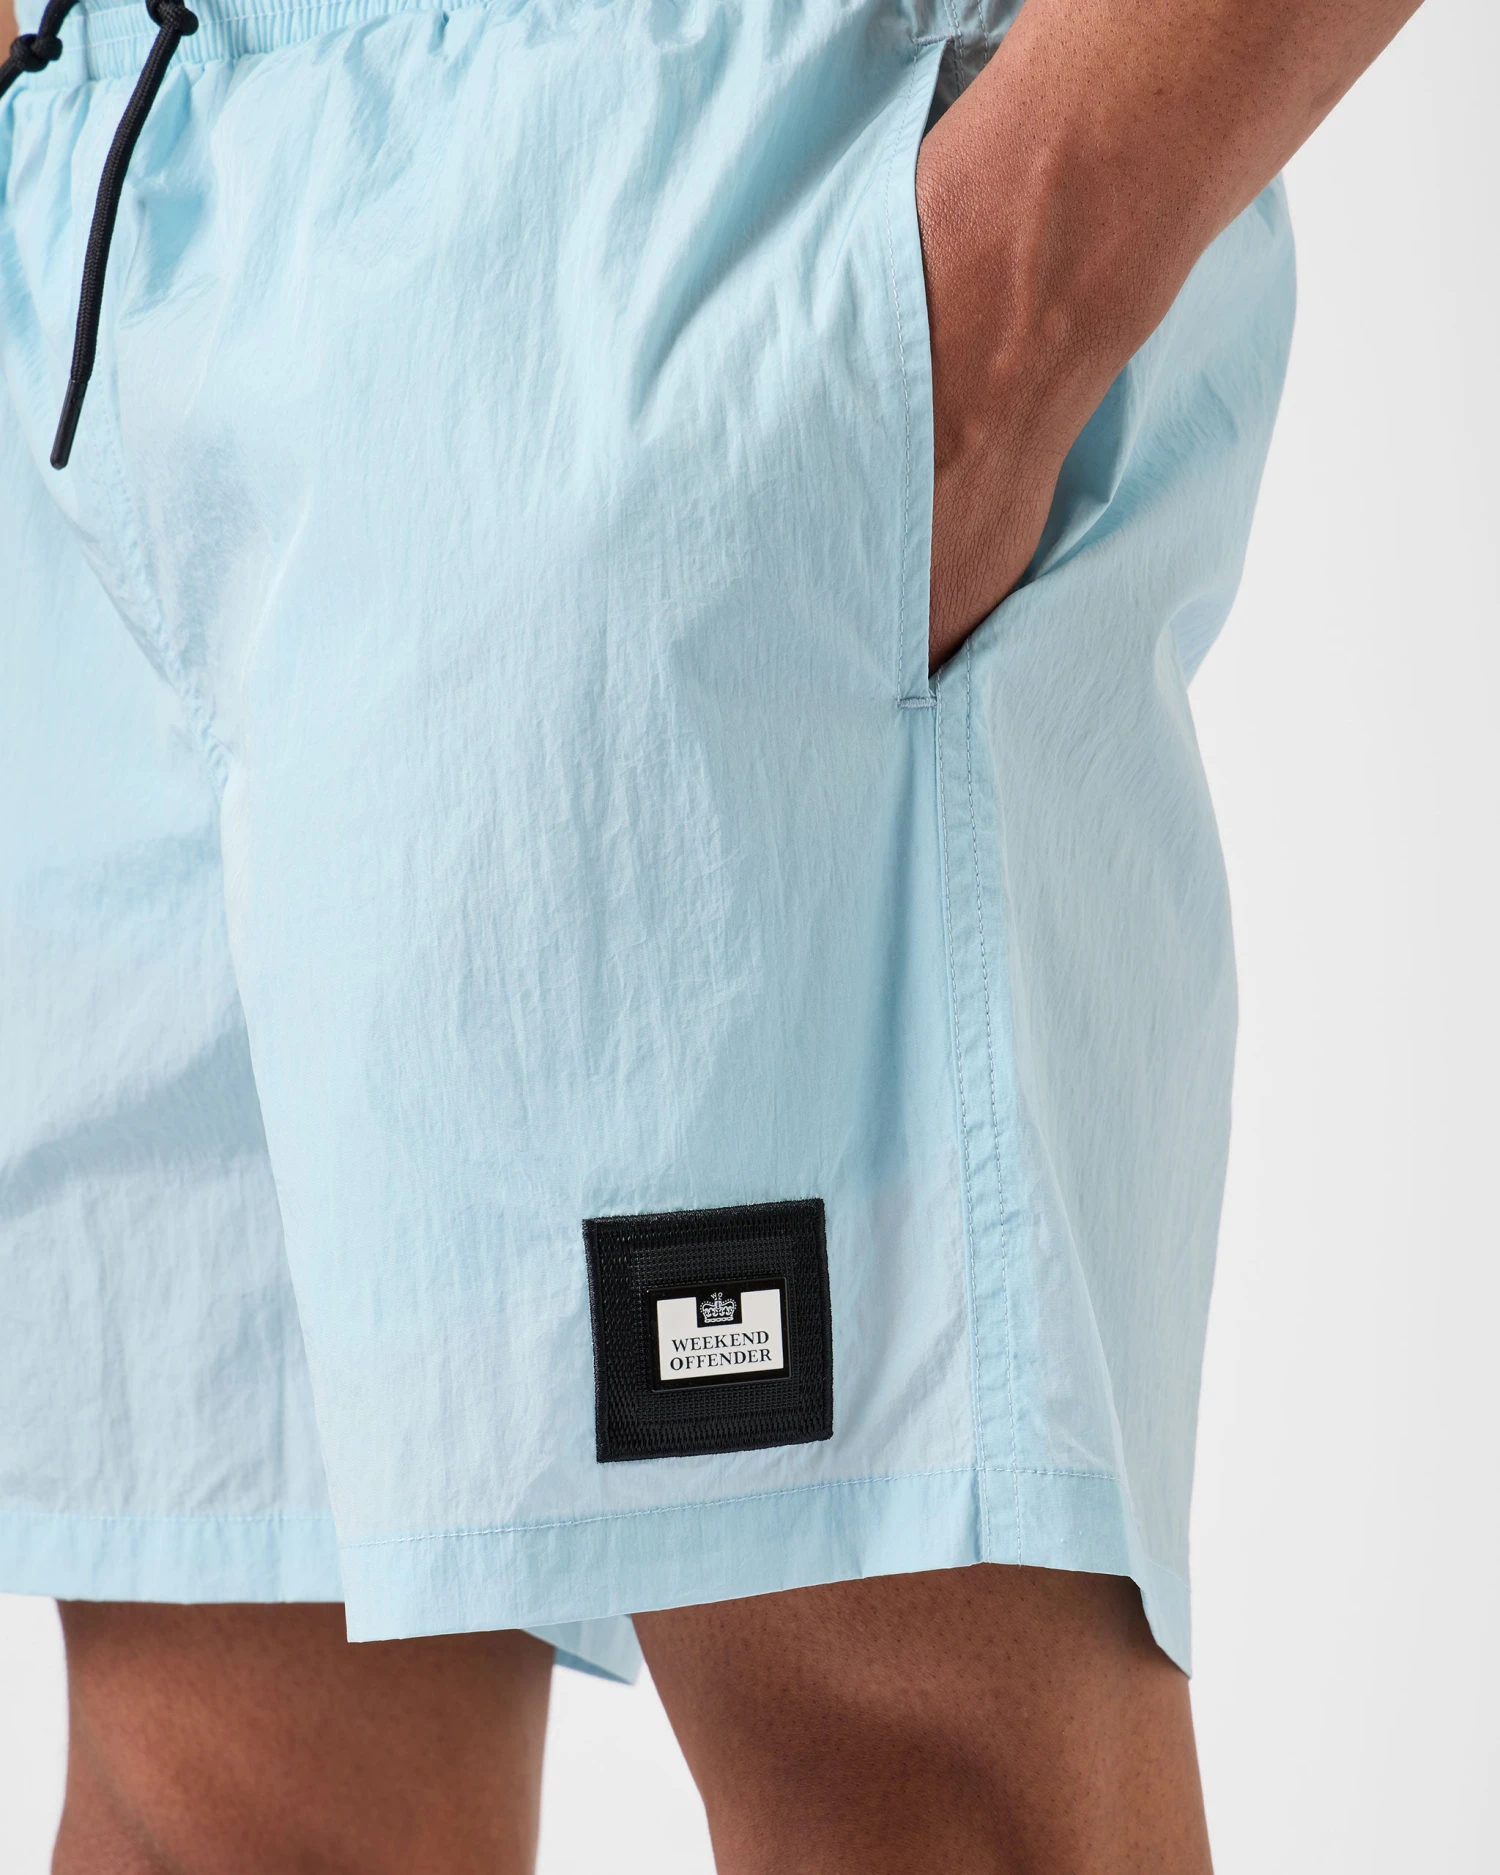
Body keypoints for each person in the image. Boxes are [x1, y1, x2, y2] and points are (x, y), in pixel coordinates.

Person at [0, 0, 1420, 1867]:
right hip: (102, 196)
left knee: (909, 1770)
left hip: (688, 169)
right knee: (219, 1794)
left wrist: (1013, 288)